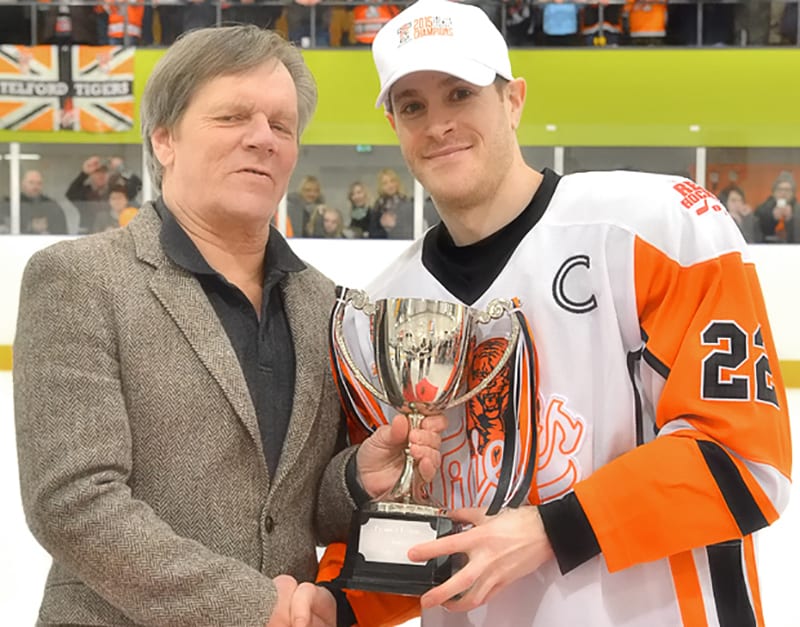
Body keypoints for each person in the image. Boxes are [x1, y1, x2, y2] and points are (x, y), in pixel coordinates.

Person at [329, 1, 793, 625]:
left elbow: (744, 459)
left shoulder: (657, 229)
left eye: (461, 93)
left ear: (514, 100)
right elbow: (404, 525)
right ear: (393, 124)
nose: (438, 124)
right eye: (413, 106)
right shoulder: (382, 312)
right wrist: (336, 605)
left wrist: (551, 529)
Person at [14, 24, 444, 627]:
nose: (262, 139)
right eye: (232, 117)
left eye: (281, 126)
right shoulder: (79, 279)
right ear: (164, 139)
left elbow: (295, 512)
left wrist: (355, 478)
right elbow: (73, 503)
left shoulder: (325, 304)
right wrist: (252, 607)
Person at [1, 170, 68, 235]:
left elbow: (61, 231)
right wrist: (30, 226)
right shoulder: (9, 203)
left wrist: (47, 229)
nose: (35, 187)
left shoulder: (51, 205)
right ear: (23, 184)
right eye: (31, 182)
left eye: (39, 183)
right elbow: (3, 228)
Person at [66, 155, 111, 233]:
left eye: (104, 172)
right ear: (91, 175)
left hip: (109, 231)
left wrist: (120, 167)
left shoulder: (114, 192)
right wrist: (84, 173)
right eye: (97, 172)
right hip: (87, 232)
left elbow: (133, 187)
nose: (101, 175)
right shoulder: (85, 191)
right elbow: (70, 193)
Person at [755, 170, 799, 243]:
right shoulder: (762, 209)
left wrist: (792, 219)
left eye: (787, 190)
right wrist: (772, 217)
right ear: (774, 192)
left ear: (793, 193)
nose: (783, 193)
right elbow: (757, 230)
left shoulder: (798, 210)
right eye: (780, 189)